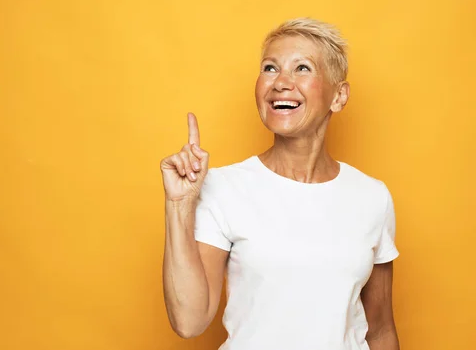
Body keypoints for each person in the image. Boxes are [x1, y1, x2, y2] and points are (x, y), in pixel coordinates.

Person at [160, 18, 400, 350]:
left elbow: (381, 330)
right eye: (270, 68)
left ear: (339, 96)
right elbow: (189, 321)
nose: (281, 83)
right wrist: (179, 205)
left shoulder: (373, 197)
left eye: (302, 68)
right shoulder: (223, 188)